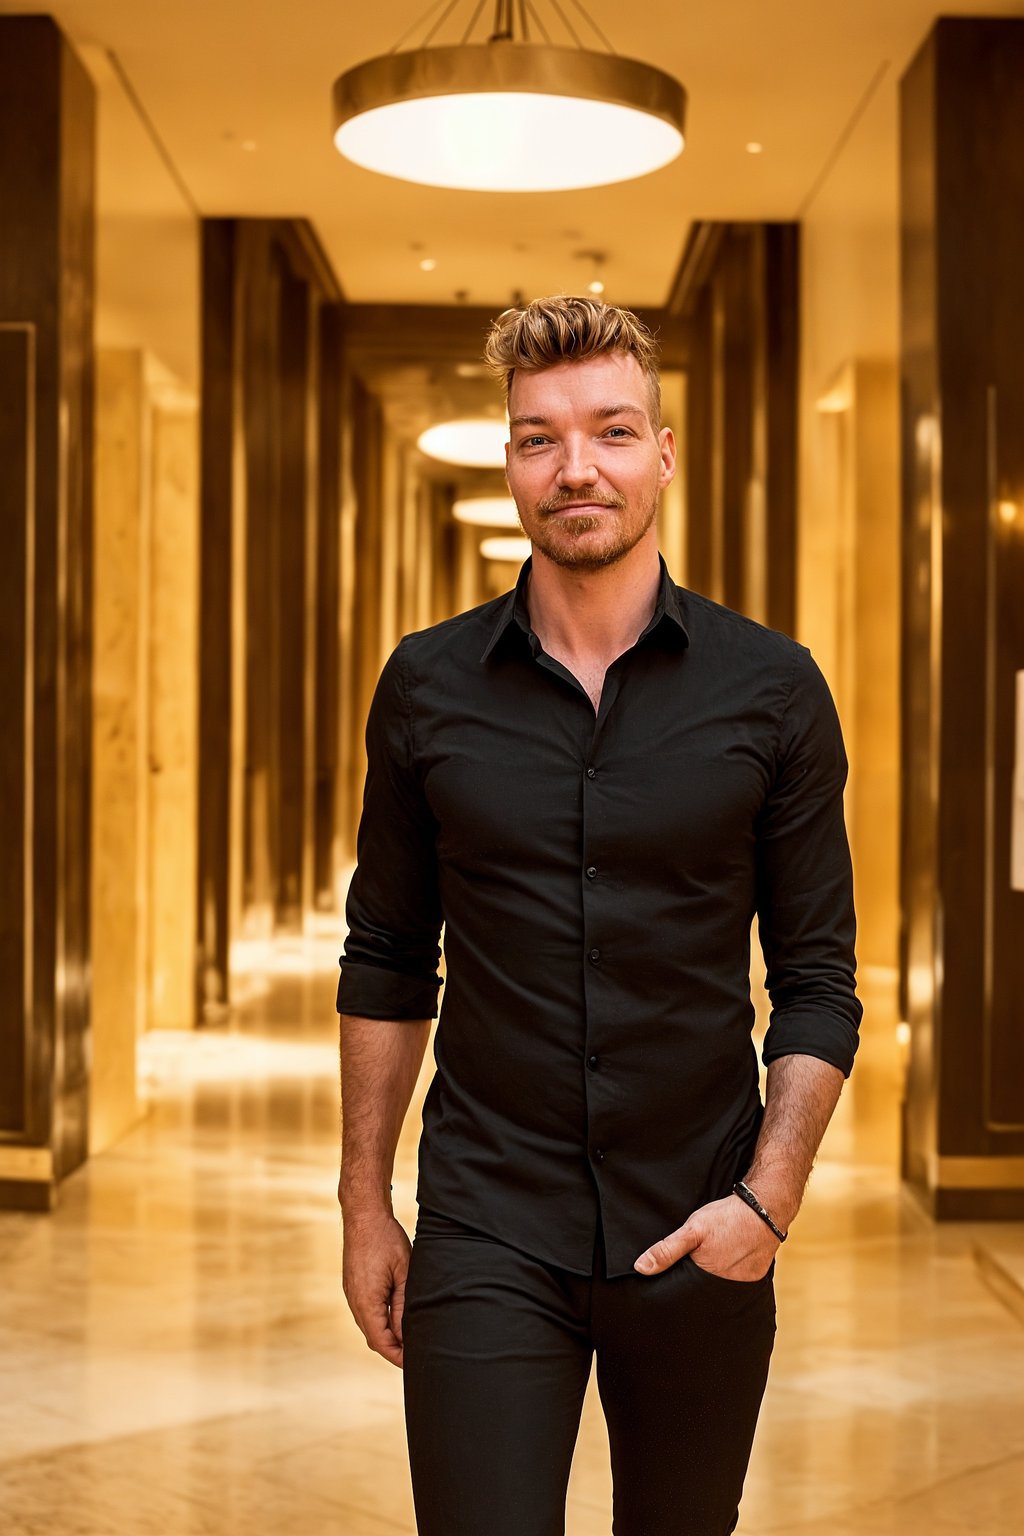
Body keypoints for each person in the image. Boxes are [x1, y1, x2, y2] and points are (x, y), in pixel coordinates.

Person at [337, 295, 861, 1536]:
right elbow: (387, 956)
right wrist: (366, 1202)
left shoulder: (772, 691)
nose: (577, 467)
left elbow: (819, 981)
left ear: (663, 454)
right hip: (484, 1221)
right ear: (511, 455)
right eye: (539, 437)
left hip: (701, 1223)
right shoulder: (425, 684)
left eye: (612, 432)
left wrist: (766, 1203)